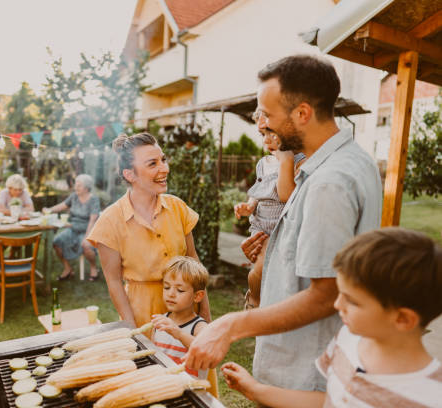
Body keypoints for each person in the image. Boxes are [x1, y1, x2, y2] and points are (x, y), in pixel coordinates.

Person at [184, 55, 383, 394]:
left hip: (306, 376)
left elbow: (325, 295)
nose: (261, 125)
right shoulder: (347, 161)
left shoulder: (329, 182)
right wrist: (276, 247)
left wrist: (232, 324)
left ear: (302, 113)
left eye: (267, 114)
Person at [221, 227, 442, 407]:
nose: (337, 304)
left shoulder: (428, 397)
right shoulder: (346, 340)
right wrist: (255, 390)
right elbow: (328, 400)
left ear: (403, 319)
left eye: (352, 301)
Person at [86, 132, 217, 396]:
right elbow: (113, 281)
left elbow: (195, 264)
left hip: (188, 314)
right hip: (144, 313)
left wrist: (207, 320)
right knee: (155, 389)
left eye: (163, 160)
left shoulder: (178, 208)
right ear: (129, 174)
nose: (164, 168)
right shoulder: (110, 220)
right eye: (152, 164)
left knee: (196, 387)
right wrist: (134, 331)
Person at [234, 129, 305, 309]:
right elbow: (259, 190)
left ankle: (261, 303)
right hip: (261, 225)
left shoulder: (299, 161)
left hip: (280, 226)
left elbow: (287, 196)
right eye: (263, 135)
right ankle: (254, 303)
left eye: (272, 134)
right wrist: (249, 206)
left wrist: (285, 161)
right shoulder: (262, 163)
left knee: (269, 273)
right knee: (257, 272)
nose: (267, 141)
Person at [152, 256, 209, 379]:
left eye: (180, 290)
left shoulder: (199, 327)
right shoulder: (160, 322)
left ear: (197, 296)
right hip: (163, 387)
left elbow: (206, 351)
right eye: (167, 287)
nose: (171, 294)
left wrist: (179, 333)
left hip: (190, 392)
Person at [43, 174, 101, 281]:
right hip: (73, 228)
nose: (75, 187)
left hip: (88, 229)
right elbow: (62, 206)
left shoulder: (93, 200)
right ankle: (67, 268)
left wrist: (87, 237)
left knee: (87, 245)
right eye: (76, 185)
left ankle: (93, 268)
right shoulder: (74, 196)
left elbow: (93, 220)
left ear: (86, 188)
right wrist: (49, 210)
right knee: (56, 242)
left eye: (79, 186)